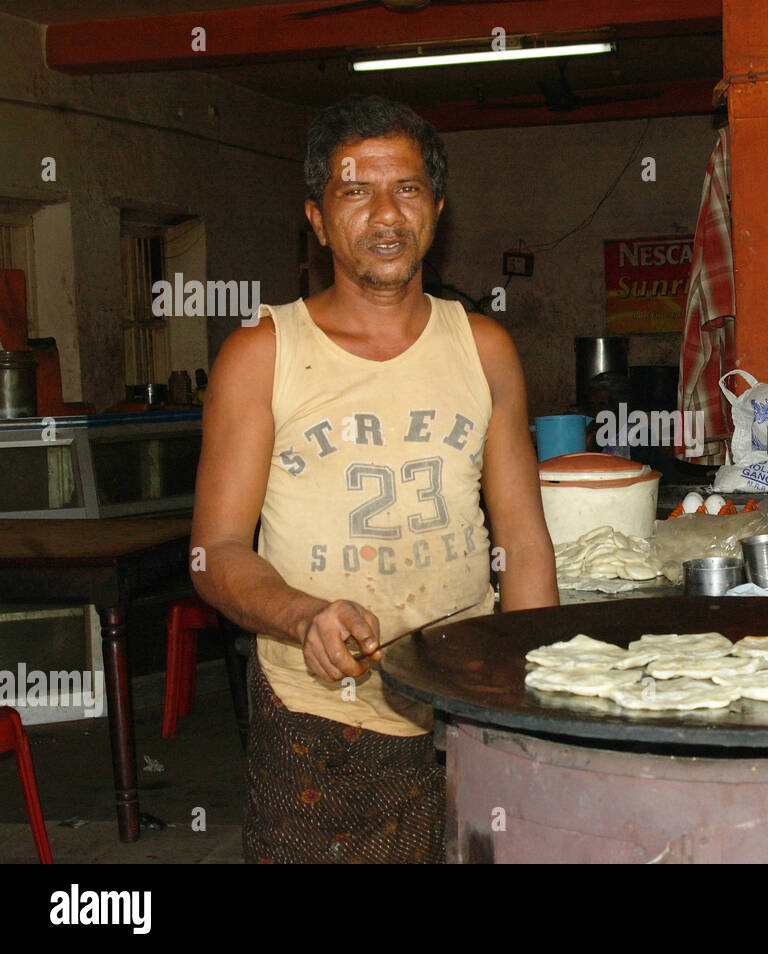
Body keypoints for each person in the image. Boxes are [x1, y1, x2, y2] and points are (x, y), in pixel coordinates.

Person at [190, 95, 558, 863]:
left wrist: (534, 702)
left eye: (409, 189)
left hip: (469, 697)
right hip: (321, 716)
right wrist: (302, 616)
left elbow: (523, 542)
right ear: (318, 218)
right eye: (356, 190)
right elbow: (216, 551)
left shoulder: (484, 348)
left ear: (438, 208)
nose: (386, 213)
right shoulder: (263, 352)